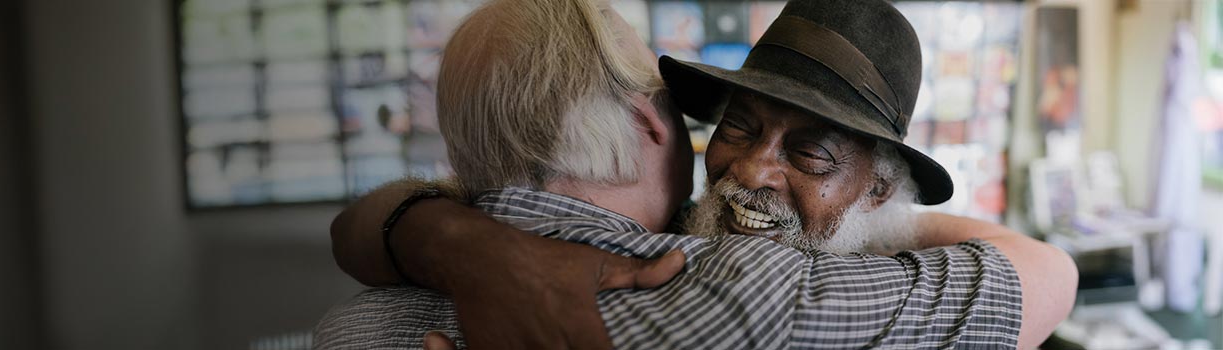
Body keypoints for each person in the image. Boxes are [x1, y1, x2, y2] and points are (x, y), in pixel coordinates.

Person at [314, 0, 1077, 349]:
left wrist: (446, 238)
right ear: (654, 121)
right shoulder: (751, 294)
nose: (746, 168)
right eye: (735, 124)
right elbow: (1045, 276)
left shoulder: (353, 322)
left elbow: (356, 230)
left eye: (810, 154)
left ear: (876, 190)